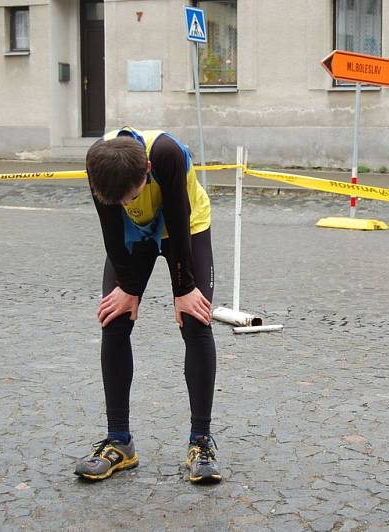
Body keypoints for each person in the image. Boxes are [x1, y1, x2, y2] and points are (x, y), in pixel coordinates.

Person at [74, 126, 221, 484]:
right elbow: (111, 232)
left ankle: (200, 441)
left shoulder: (167, 155)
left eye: (131, 195)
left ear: (147, 169)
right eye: (119, 200)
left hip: (184, 227)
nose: (126, 203)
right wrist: (127, 287)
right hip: (132, 235)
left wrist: (184, 288)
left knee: (196, 320)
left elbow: (177, 216)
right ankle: (119, 442)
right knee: (114, 318)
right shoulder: (99, 165)